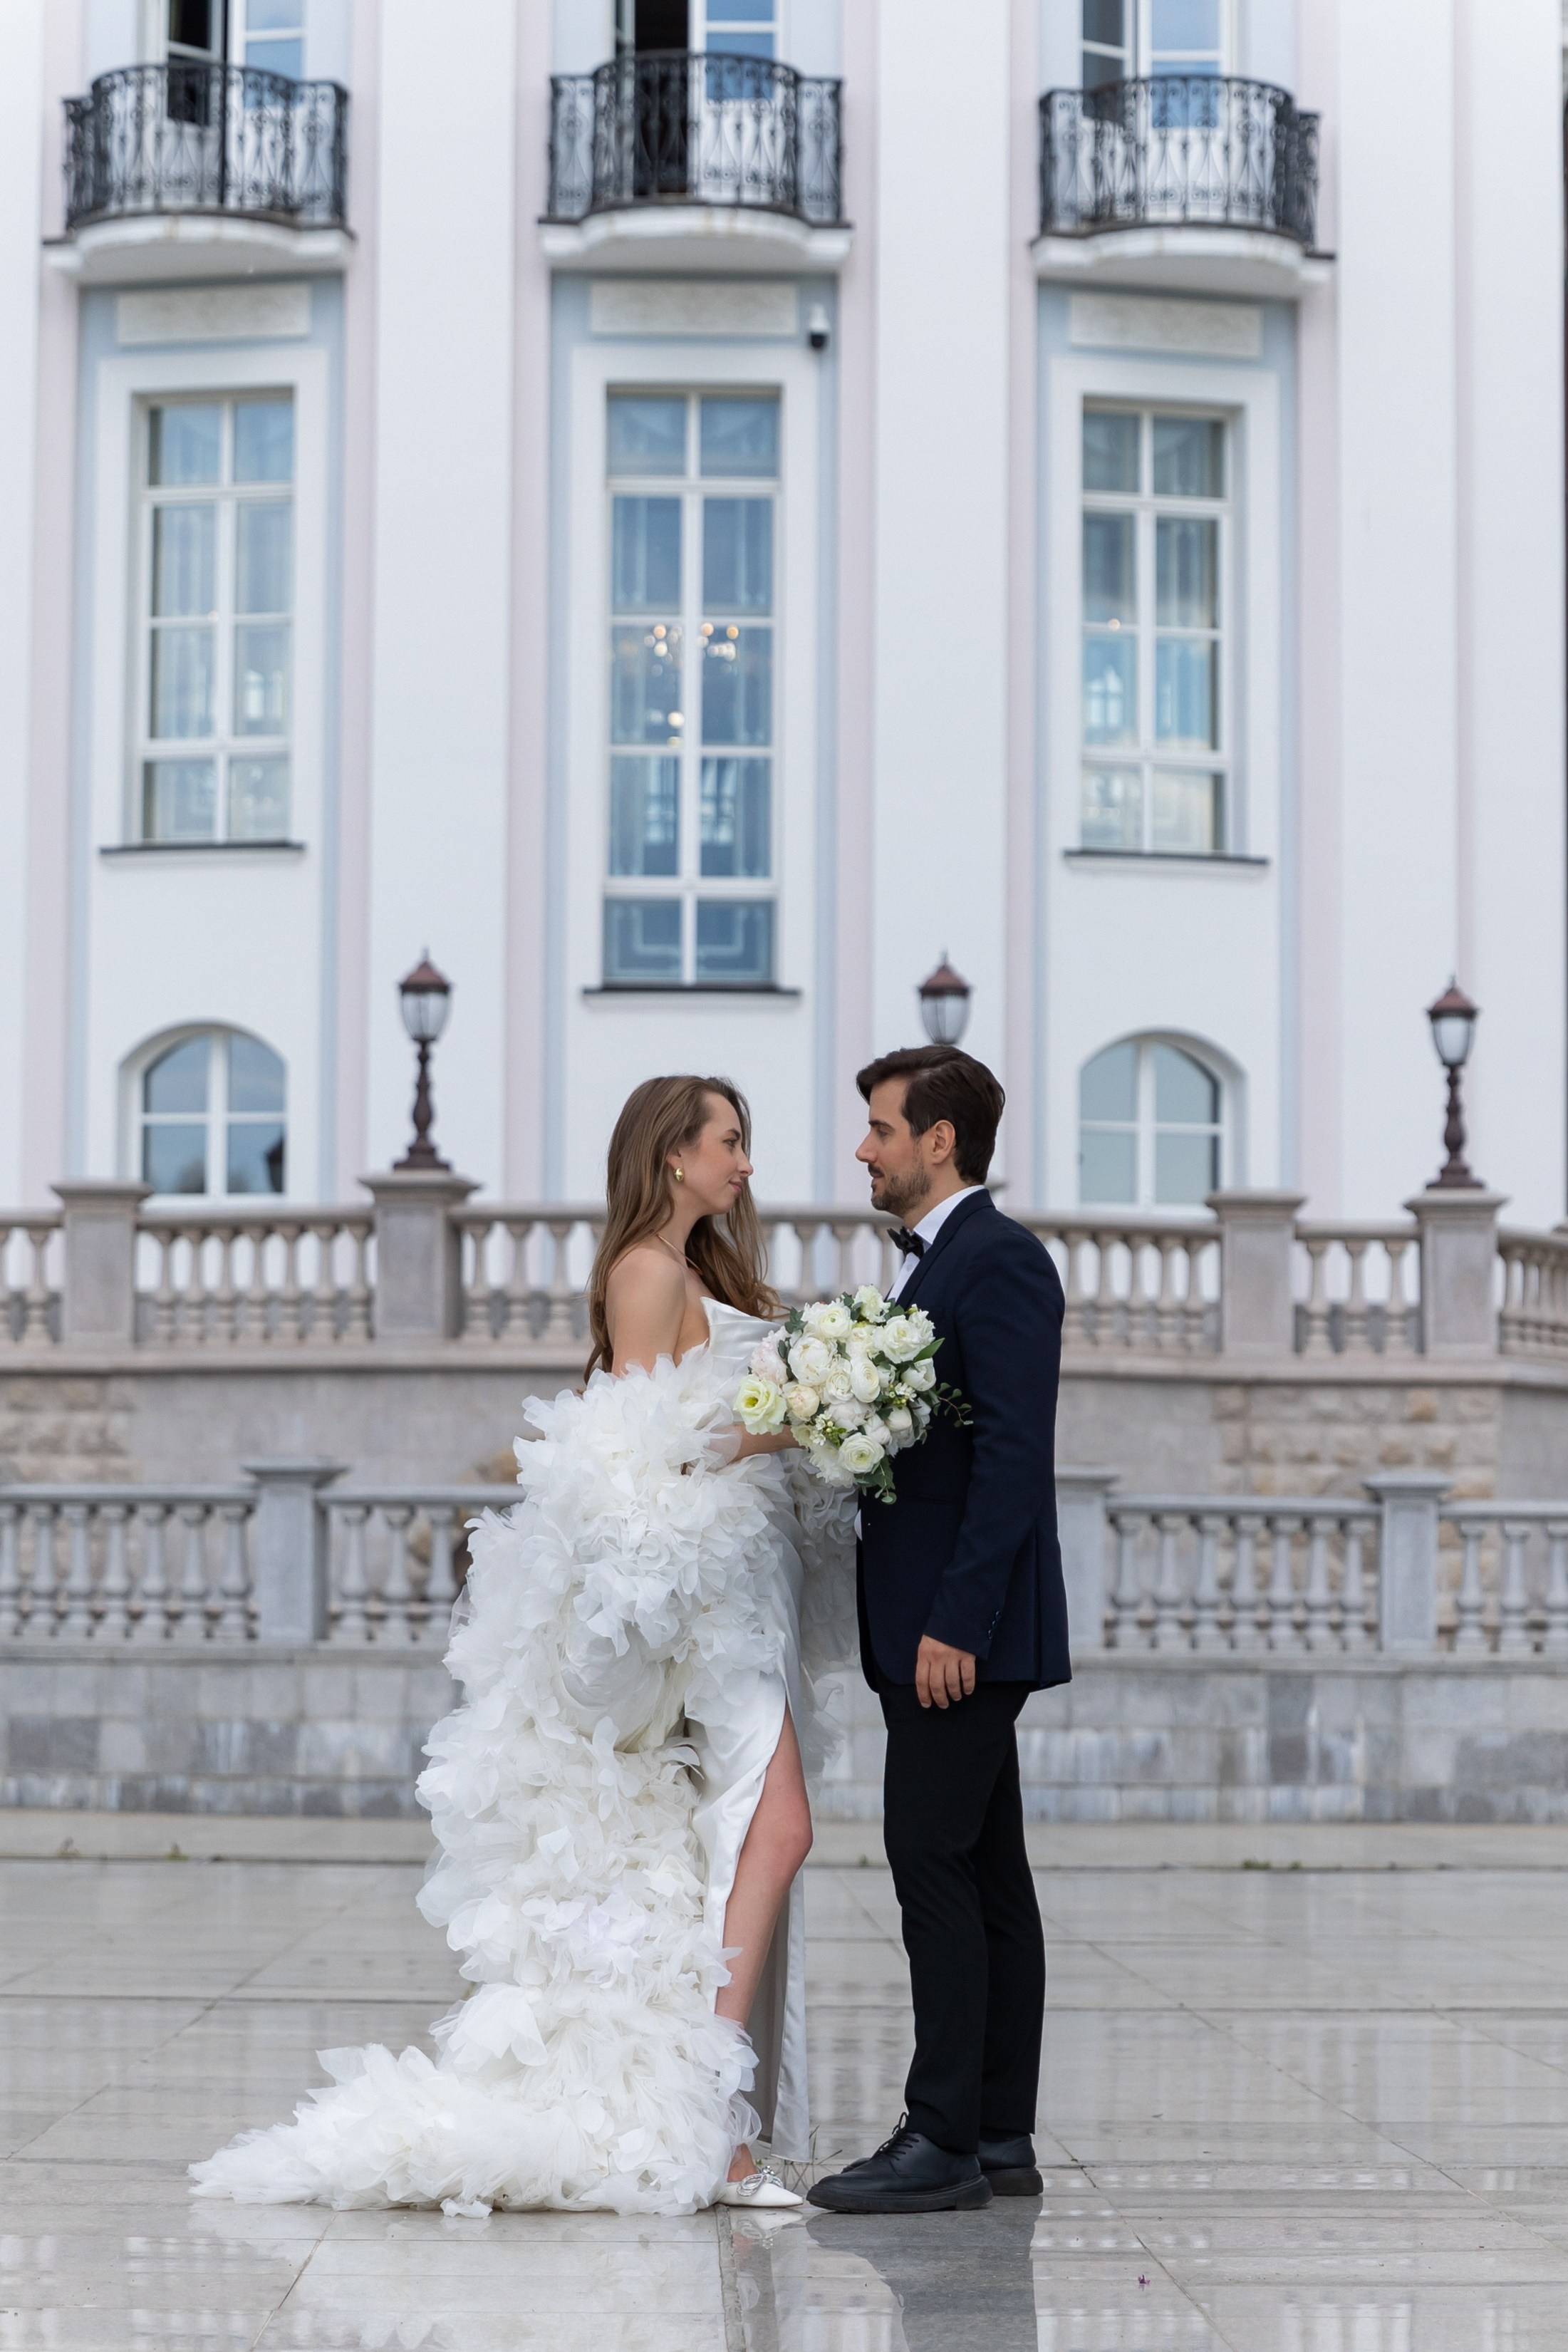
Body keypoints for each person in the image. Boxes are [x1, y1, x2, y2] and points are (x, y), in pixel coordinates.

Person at [189, 1075, 856, 2217]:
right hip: (710, 1600)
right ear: (673, 1155)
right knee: (775, 1825)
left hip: (751, 1583)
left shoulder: (698, 1270)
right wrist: (795, 1416)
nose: (745, 1163)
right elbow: (643, 1453)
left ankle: (725, 2126)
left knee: (747, 1834)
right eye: (729, 1141)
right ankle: (713, 2121)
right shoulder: (647, 1271)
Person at [809, 1045, 1068, 2217]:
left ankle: (939, 2137)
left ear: (938, 1140)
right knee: (986, 1871)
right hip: (939, 1626)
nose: (863, 1149)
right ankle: (999, 2132)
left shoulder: (997, 1259)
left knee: (929, 1864)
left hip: (960, 1635)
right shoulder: (938, 1264)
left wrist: (956, 1621)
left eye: (879, 1128)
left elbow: (1012, 1457)